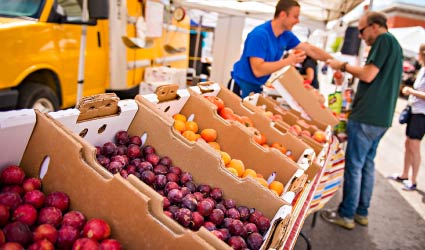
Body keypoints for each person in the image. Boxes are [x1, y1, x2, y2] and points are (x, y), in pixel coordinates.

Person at [320, 11, 403, 230]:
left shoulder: (383, 40)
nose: (360, 35)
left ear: (375, 26)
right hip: (381, 119)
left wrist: (342, 66)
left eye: (362, 30)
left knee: (354, 166)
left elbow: (368, 75)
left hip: (367, 116)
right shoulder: (395, 45)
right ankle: (361, 213)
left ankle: (346, 214)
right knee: (366, 165)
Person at [228, 0, 332, 98]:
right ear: (282, 15)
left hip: (257, 87)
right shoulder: (260, 35)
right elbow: (258, 70)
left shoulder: (285, 35)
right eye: (295, 17)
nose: (297, 21)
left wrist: (333, 61)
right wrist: (289, 61)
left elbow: (309, 49)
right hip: (242, 85)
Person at [389, 44, 425, 191]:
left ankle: (413, 179)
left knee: (414, 145)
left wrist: (412, 92)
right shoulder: (422, 69)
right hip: (414, 110)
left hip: (421, 114)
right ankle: (405, 174)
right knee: (408, 143)